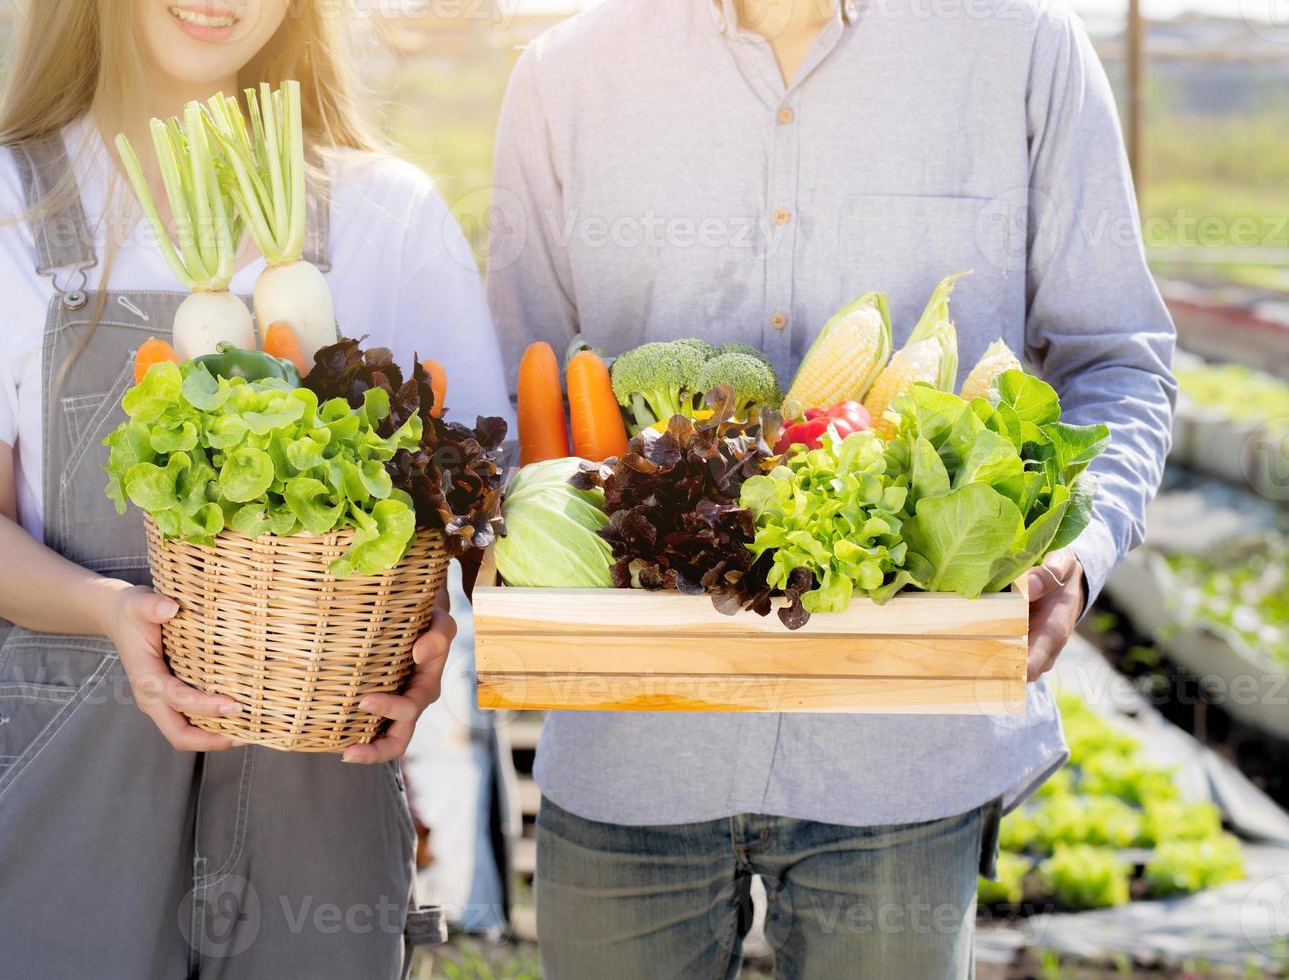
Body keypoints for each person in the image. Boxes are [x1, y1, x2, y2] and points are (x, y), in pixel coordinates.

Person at [487, 0, 1175, 976]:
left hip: (903, 760)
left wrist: (1079, 544)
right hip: (632, 741)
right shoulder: (565, 76)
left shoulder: (1021, 48)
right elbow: (515, 386)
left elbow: (1119, 361)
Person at [0, 1, 510, 976]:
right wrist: (117, 609)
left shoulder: (389, 215)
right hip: (60, 778)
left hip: (315, 790)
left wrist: (431, 626)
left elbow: (473, 509)